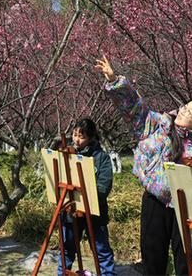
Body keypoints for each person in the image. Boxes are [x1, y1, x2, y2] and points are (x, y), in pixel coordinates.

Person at [95, 55, 192, 276]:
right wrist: (115, 81)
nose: (182, 111)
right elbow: (133, 107)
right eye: (184, 107)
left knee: (185, 263)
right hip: (154, 201)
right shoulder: (157, 124)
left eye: (189, 113)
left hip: (186, 207)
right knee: (153, 259)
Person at [58, 118, 116, 276]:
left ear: (91, 138)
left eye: (81, 136)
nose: (76, 139)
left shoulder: (101, 158)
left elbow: (104, 187)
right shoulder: (67, 155)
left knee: (101, 250)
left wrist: (87, 195)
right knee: (67, 249)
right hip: (71, 210)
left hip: (94, 212)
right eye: (74, 134)